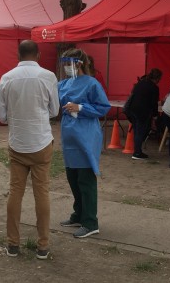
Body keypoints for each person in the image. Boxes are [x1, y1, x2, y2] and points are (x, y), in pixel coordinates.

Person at [0, 40, 59, 260]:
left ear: (18, 54)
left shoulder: (6, 78)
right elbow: (54, 110)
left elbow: (1, 116)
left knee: (15, 192)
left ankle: (13, 244)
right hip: (41, 142)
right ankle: (43, 245)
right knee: (42, 192)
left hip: (17, 143)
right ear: (38, 55)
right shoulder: (49, 77)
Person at [57, 48, 110, 239]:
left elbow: (103, 107)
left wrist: (80, 107)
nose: (65, 67)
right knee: (73, 177)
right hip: (69, 135)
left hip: (86, 135)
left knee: (85, 180)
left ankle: (90, 222)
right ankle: (78, 214)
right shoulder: (62, 84)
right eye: (63, 64)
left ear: (78, 64)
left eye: (67, 63)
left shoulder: (91, 84)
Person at [125, 68, 162, 160]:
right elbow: (154, 103)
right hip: (142, 112)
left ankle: (137, 150)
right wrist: (155, 115)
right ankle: (137, 152)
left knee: (137, 130)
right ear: (158, 78)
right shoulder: (154, 87)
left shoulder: (140, 83)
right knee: (141, 131)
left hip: (132, 109)